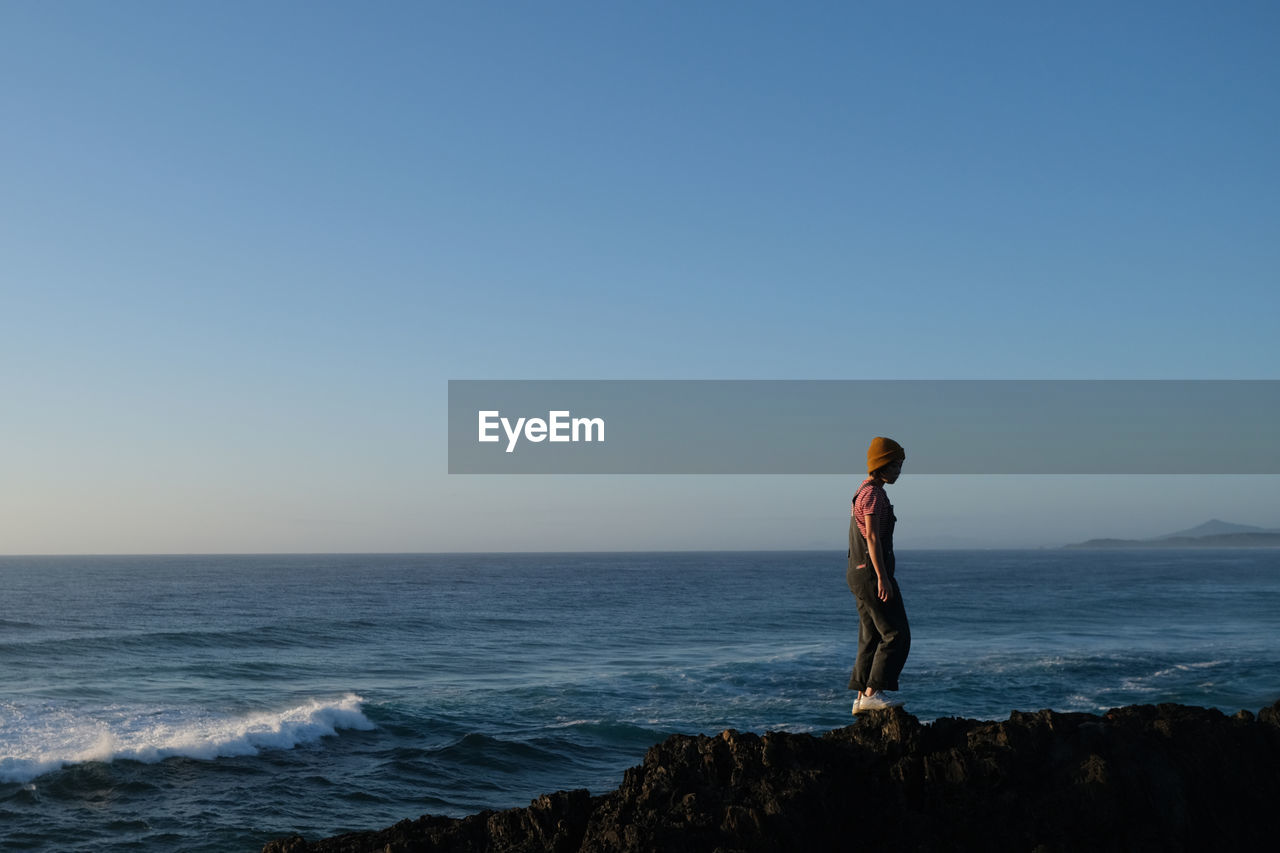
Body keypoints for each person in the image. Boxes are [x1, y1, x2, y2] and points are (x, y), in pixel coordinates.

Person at [847, 436, 910, 714]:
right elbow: (872, 537)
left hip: (857, 572)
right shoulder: (873, 494)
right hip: (871, 573)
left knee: (870, 635)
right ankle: (874, 693)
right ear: (882, 465)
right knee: (896, 634)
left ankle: (862, 697)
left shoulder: (862, 490)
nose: (899, 471)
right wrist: (883, 578)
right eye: (896, 465)